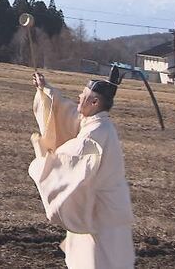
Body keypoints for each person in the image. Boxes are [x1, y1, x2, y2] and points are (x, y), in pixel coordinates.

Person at [28, 70, 135, 269]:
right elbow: (69, 115)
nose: (78, 97)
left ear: (94, 102)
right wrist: (46, 89)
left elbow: (66, 162)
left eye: (83, 94)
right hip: (103, 215)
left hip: (100, 218)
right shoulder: (97, 124)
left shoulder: (94, 134)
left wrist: (40, 162)